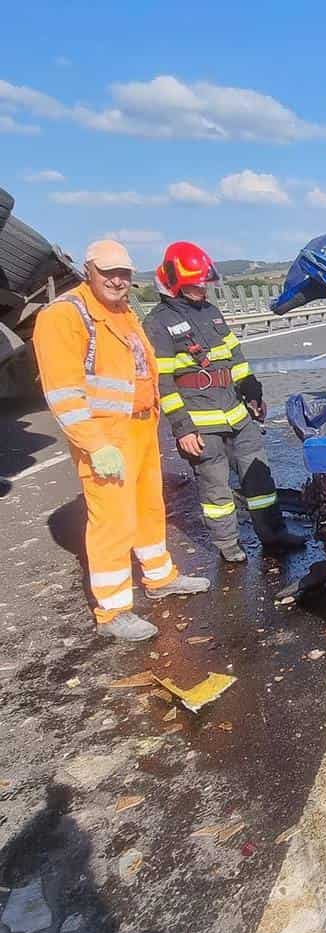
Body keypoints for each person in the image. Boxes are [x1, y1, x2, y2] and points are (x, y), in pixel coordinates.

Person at [32, 239, 210, 642]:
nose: (118, 280)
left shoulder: (123, 312)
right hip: (106, 436)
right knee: (111, 519)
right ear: (88, 270)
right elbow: (63, 392)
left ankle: (160, 576)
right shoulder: (65, 315)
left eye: (124, 274)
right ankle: (112, 609)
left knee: (149, 506)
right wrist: (95, 445)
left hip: (141, 427)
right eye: (109, 272)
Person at [142, 242, 306, 563]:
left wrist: (252, 391)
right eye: (194, 285)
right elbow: (162, 383)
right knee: (216, 490)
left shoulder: (211, 313)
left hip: (237, 414)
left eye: (204, 283)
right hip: (201, 423)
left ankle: (273, 534)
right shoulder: (158, 323)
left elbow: (236, 358)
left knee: (260, 479)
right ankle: (228, 544)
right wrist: (182, 429)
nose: (202, 289)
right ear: (173, 283)